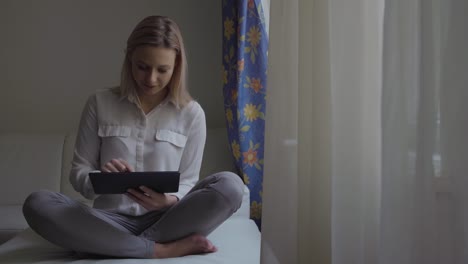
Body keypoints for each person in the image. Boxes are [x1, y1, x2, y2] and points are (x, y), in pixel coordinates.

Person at [22, 15, 244, 259]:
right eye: (142, 67)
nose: (151, 79)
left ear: (177, 67)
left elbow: (189, 181)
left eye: (162, 70)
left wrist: (169, 201)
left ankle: (108, 245)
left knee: (231, 185)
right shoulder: (100, 102)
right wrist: (100, 178)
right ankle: (159, 249)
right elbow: (79, 173)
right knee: (38, 203)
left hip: (169, 220)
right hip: (108, 219)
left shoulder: (192, 114)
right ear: (129, 60)